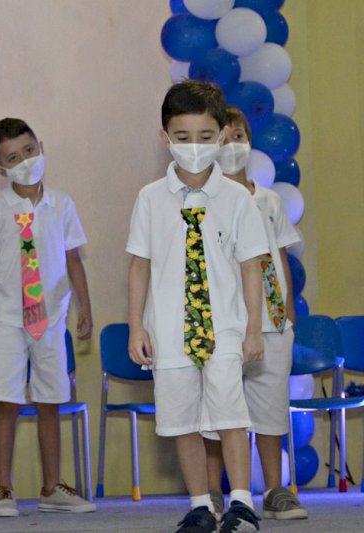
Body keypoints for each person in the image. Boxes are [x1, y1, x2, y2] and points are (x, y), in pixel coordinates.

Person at [126, 81, 269, 533]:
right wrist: (136, 327)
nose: (194, 148)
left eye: (205, 137)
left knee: (230, 414)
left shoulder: (237, 199)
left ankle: (241, 502)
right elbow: (139, 267)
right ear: (164, 137)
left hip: (225, 328)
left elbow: (251, 266)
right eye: (182, 138)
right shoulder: (150, 198)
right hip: (169, 331)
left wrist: (252, 329)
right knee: (181, 419)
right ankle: (200, 505)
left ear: (222, 135)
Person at [0, 117, 95, 518]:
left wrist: (85, 306)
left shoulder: (62, 203)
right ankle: (3, 488)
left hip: (51, 319)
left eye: (29, 151)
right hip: (6, 320)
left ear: (41, 145)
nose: (24, 161)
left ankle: (52, 486)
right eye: (12, 158)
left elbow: (73, 258)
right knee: (6, 402)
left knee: (50, 401)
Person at [206, 105, 307, 520]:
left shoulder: (268, 199)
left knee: (269, 409)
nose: (233, 145)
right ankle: (212, 492)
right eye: (224, 138)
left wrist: (286, 310)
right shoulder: (208, 199)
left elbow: (280, 255)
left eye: (239, 136)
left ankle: (275, 490)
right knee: (218, 411)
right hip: (226, 323)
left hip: (271, 323)